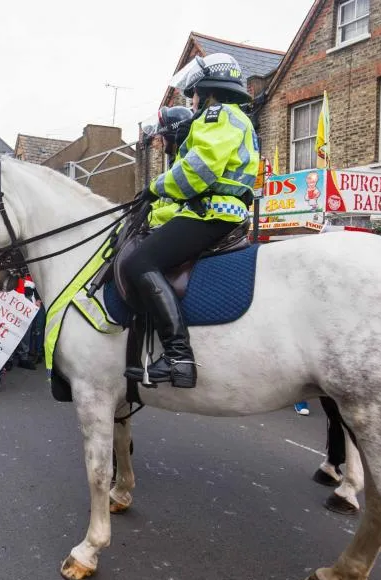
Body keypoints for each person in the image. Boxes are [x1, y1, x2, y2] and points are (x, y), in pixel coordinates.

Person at [123, 53, 259, 389]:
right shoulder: (231, 117)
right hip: (214, 210)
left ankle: (178, 356)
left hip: (212, 212)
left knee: (139, 263)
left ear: (209, 90)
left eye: (194, 93)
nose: (192, 100)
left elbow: (197, 172)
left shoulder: (219, 115)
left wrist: (154, 188)